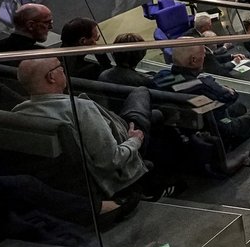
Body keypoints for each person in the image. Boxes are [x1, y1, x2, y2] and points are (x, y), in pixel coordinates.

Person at [13, 56, 150, 203]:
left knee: (149, 110)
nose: (64, 71)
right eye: (60, 68)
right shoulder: (81, 108)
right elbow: (111, 160)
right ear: (51, 77)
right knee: (142, 93)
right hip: (112, 177)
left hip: (65, 183)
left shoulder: (18, 112)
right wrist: (134, 141)